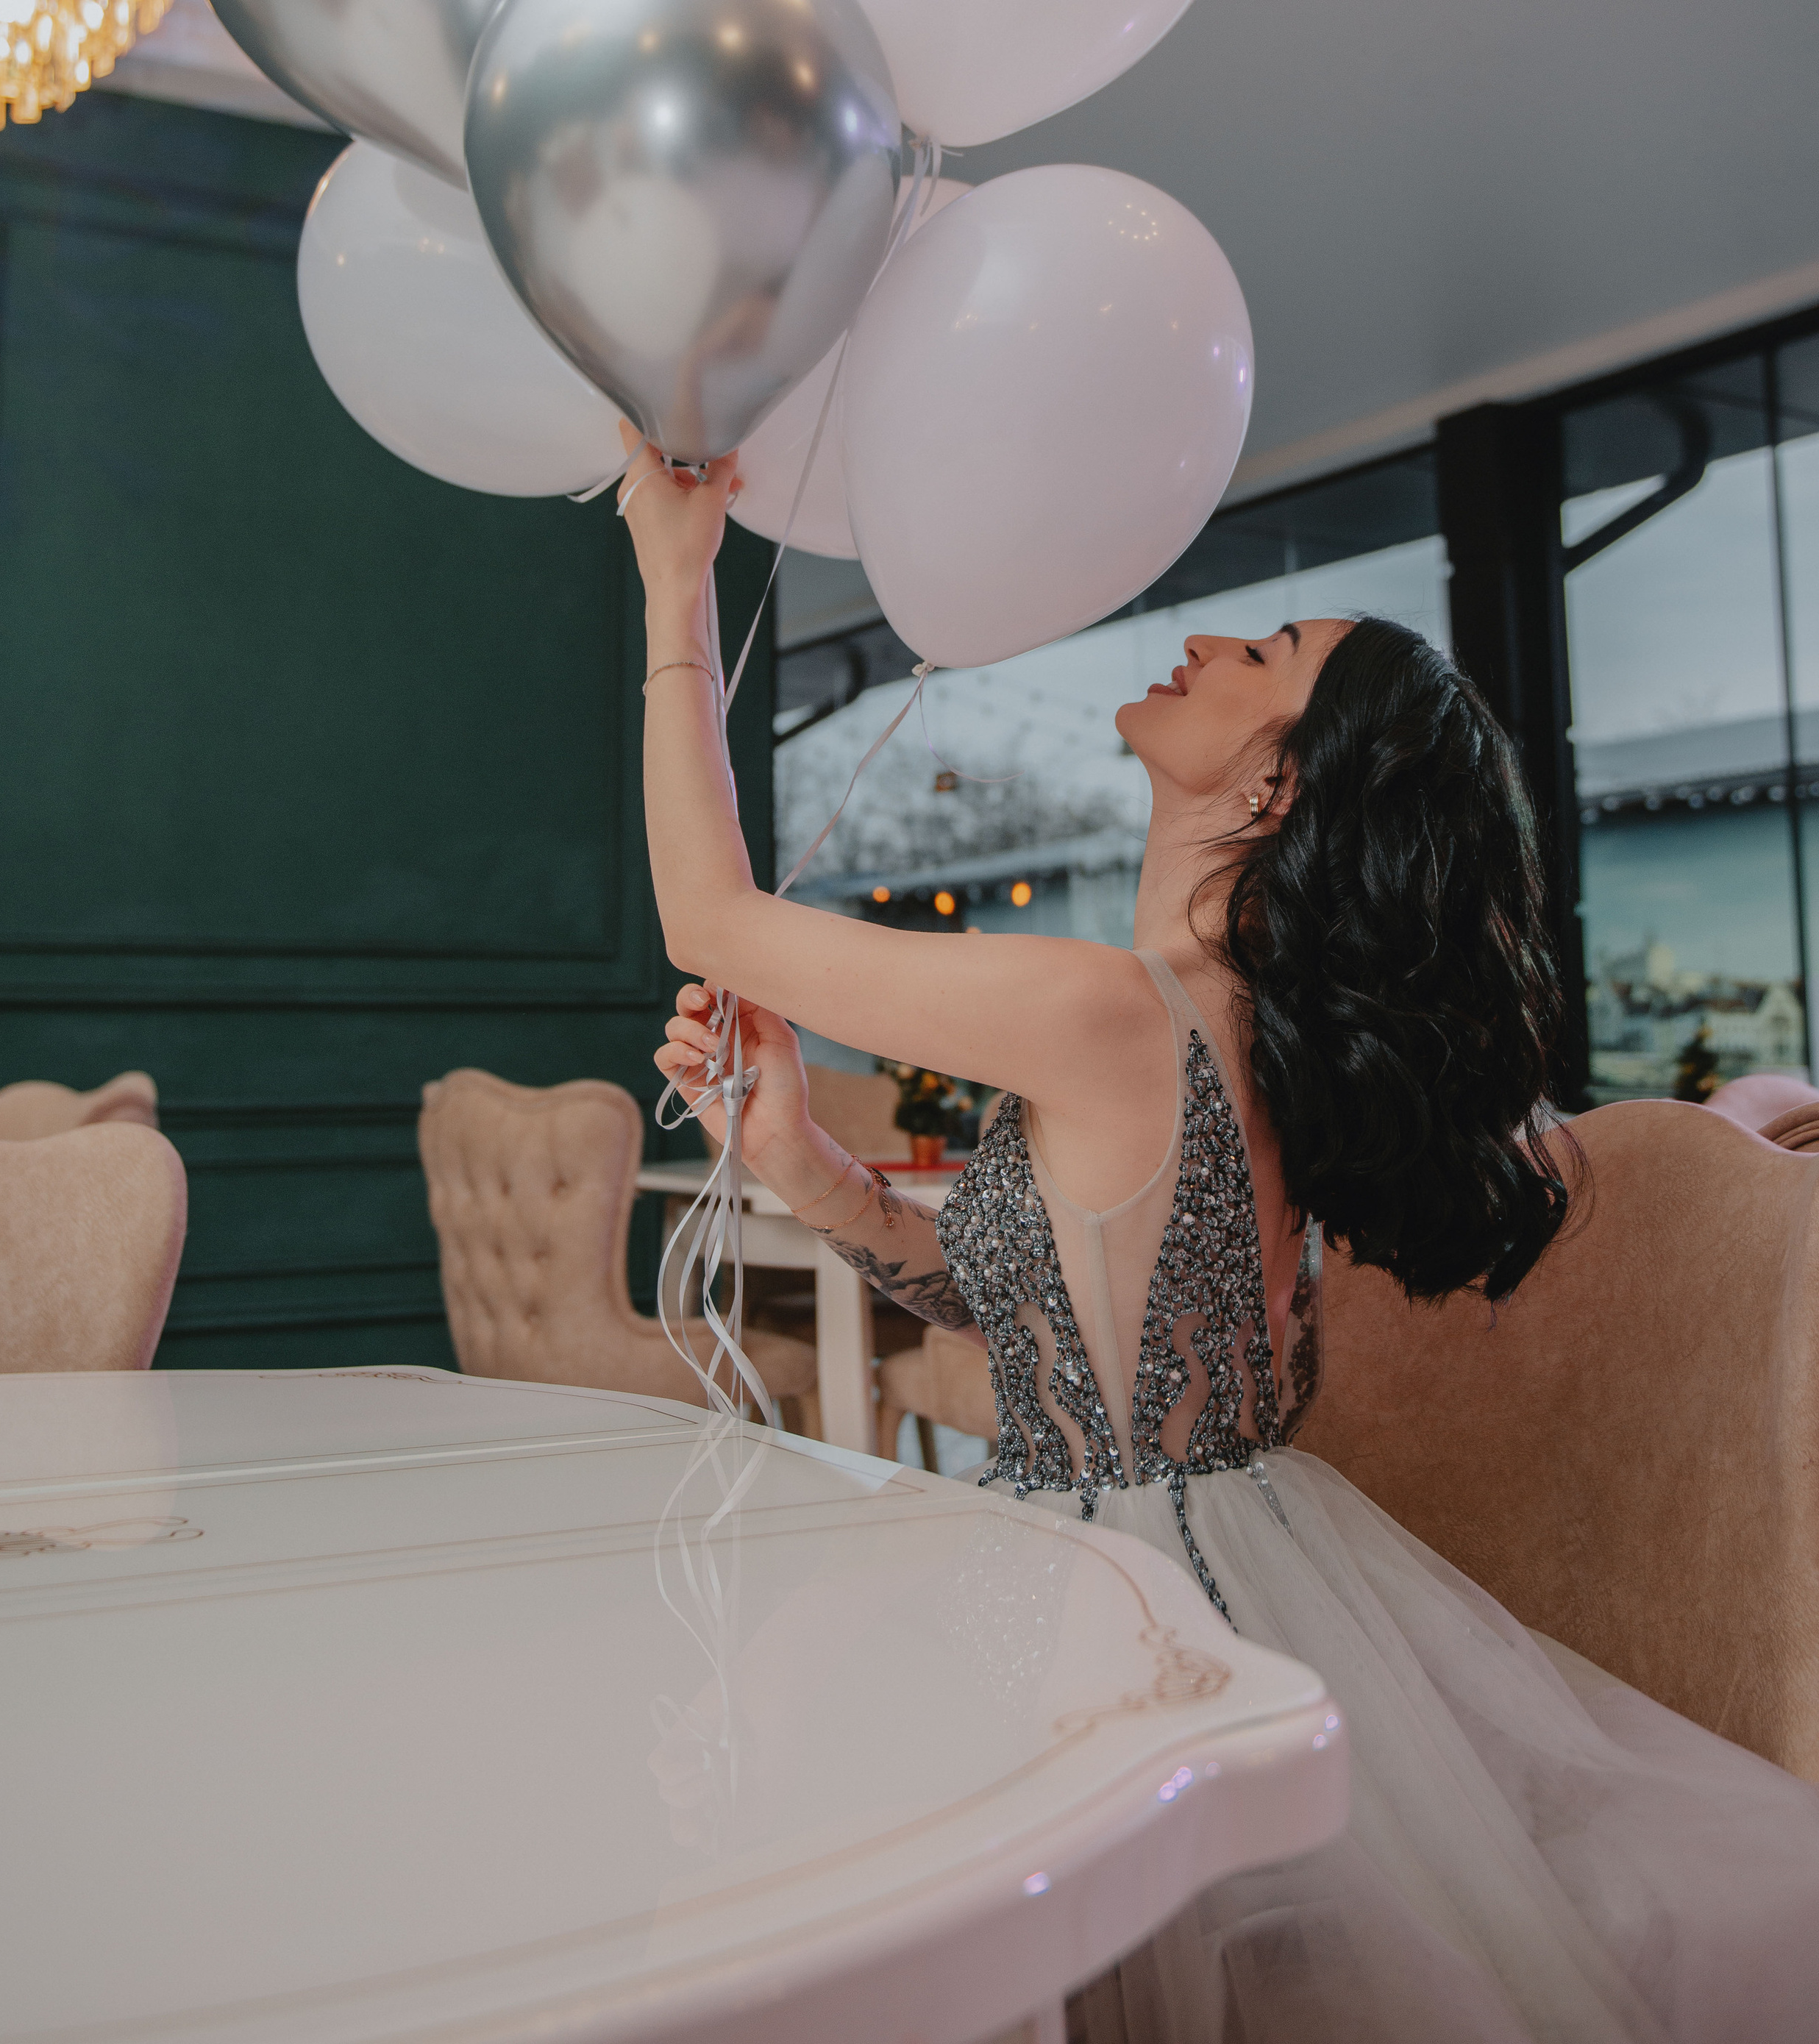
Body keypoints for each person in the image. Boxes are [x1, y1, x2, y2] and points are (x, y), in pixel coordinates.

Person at [619, 430, 1819, 2044]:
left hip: (1101, 1616)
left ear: (1275, 785)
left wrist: (673, 579)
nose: (1199, 641)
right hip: (1199, 1572)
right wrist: (805, 1158)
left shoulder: (1117, 1012)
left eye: (1258, 655)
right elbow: (1007, 1305)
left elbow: (709, 920)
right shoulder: (1215, 1024)